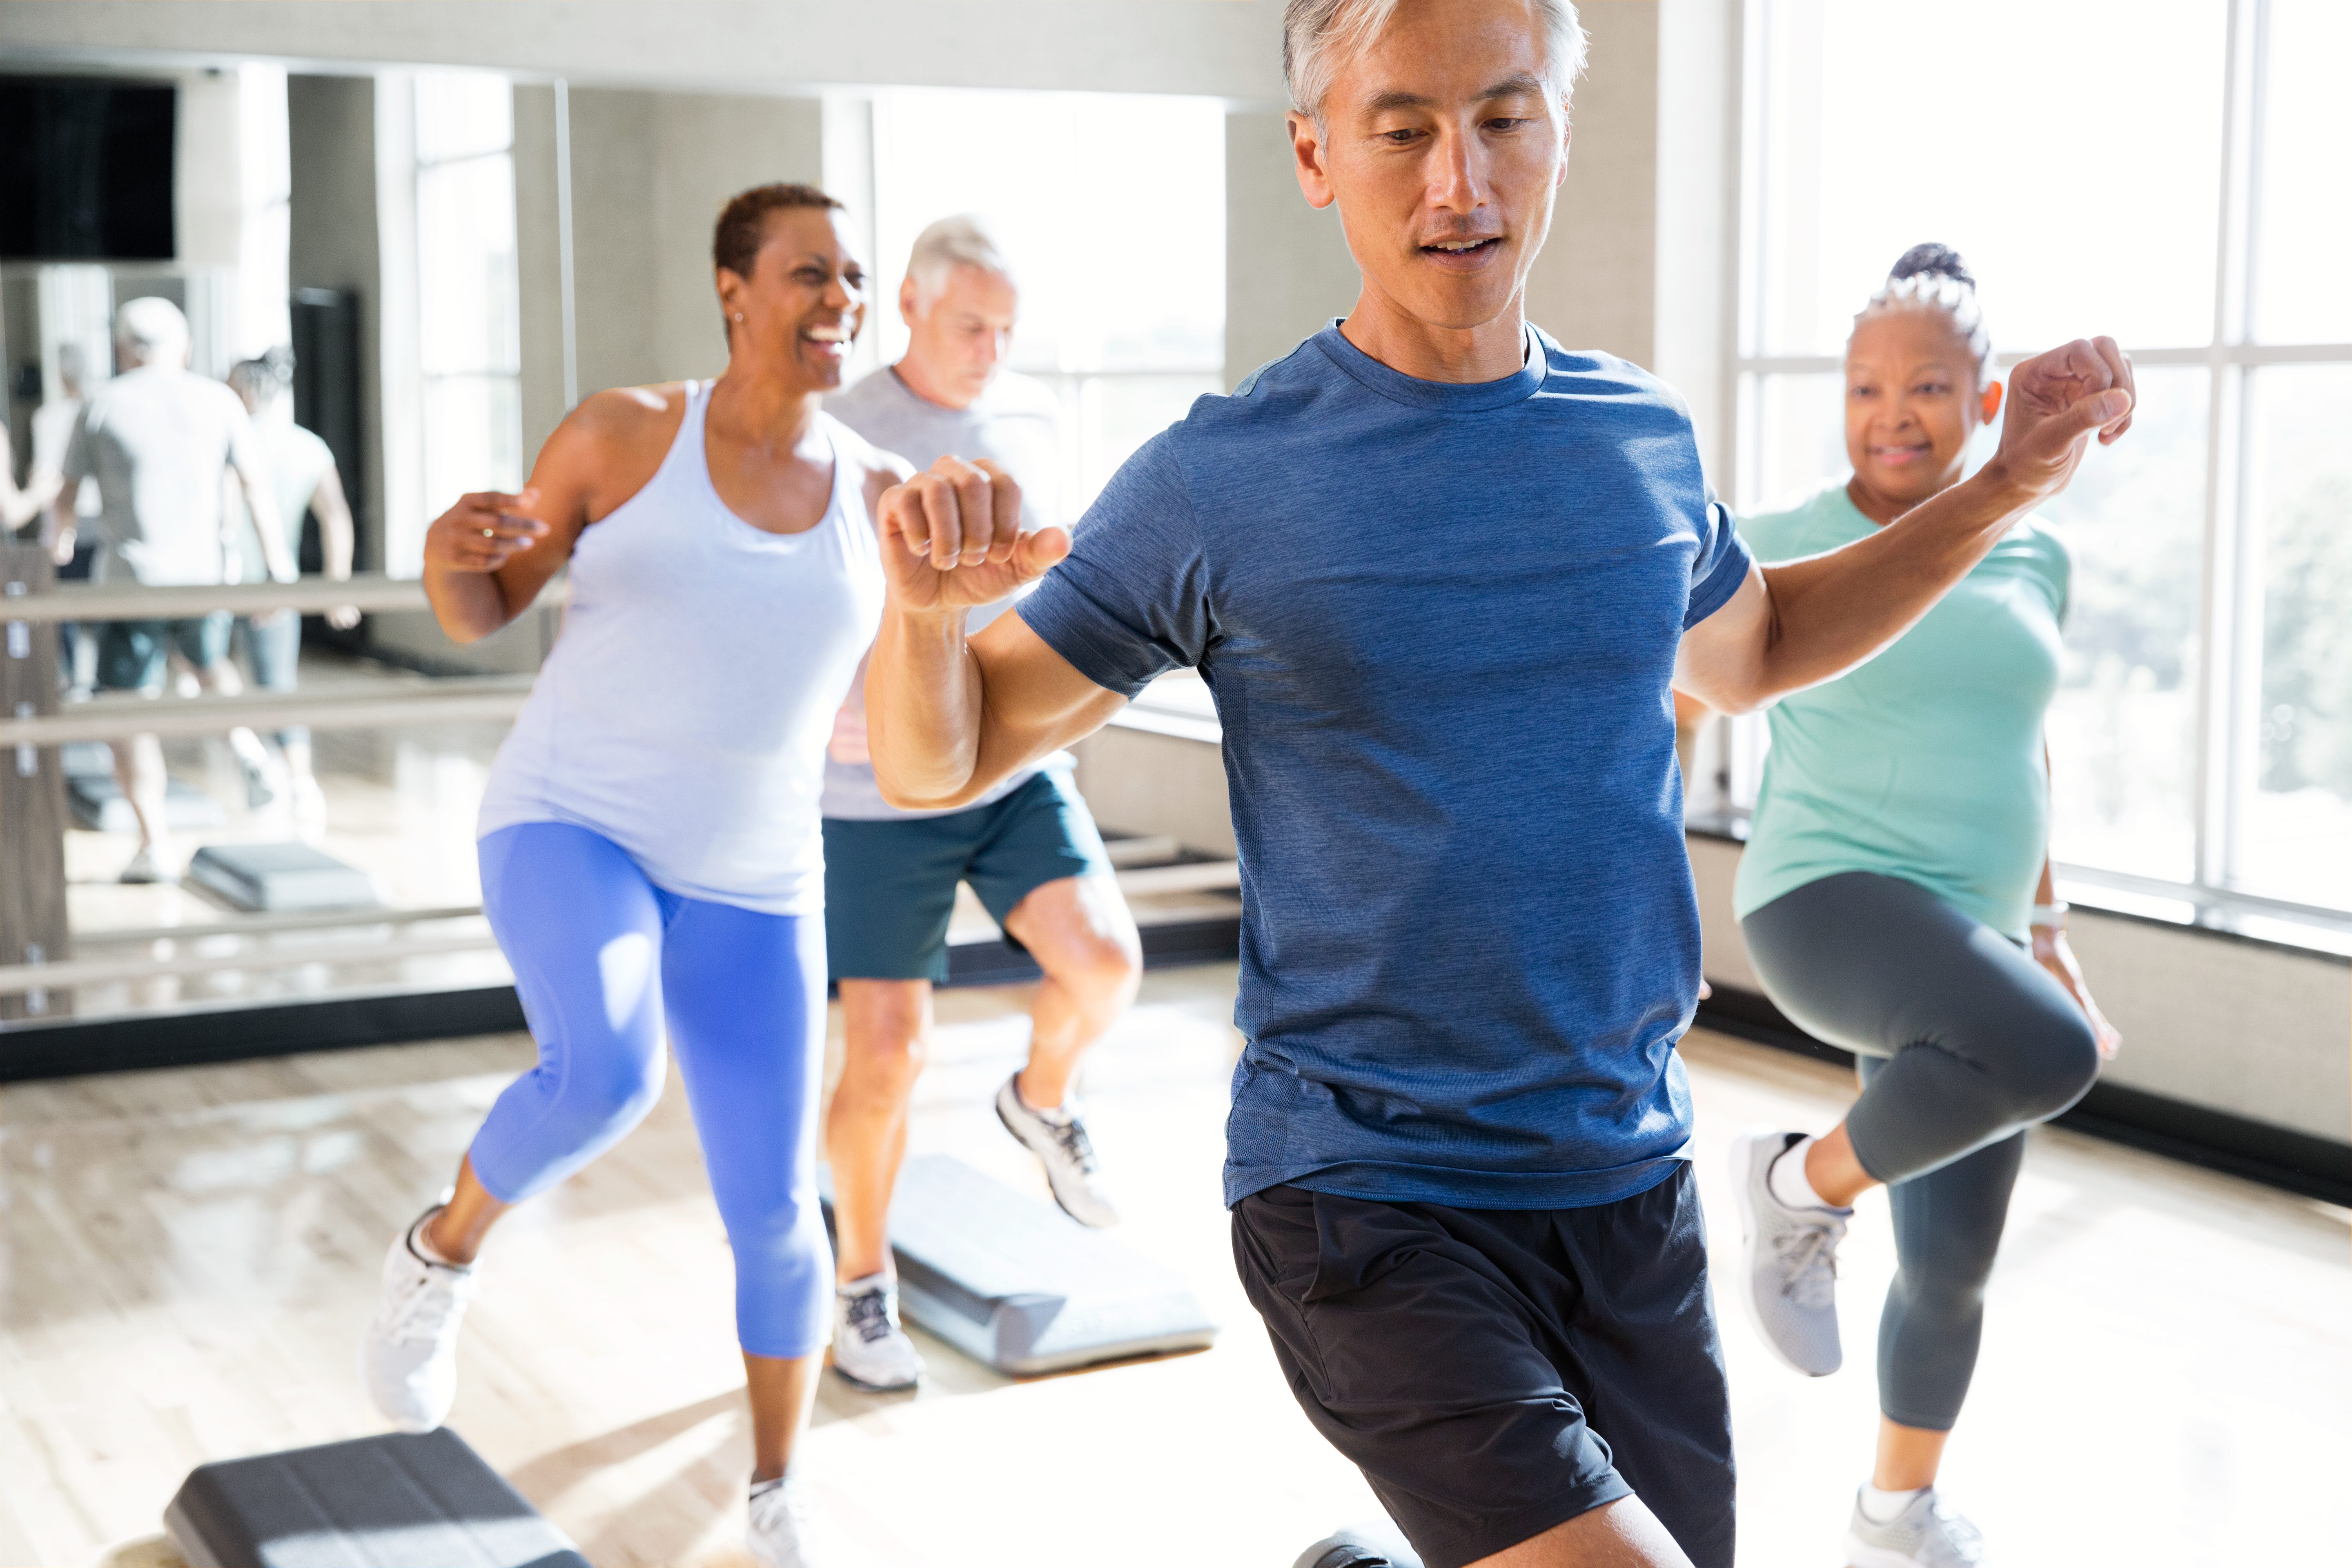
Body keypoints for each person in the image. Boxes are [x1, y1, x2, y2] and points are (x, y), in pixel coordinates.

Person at [855, 0, 2134, 1564]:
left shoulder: (1637, 437)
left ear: (1557, 134)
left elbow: (1758, 645)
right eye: (1401, 130)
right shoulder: (1221, 477)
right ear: (1316, 154)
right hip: (1362, 1189)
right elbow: (949, 760)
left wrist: (2002, 487)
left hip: (1624, 1178)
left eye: (1503, 119)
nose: (1457, 181)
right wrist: (923, 618)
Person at [360, 182, 893, 1568]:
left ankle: (778, 1486)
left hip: (758, 878)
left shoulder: (876, 500)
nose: (841, 300)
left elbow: (920, 689)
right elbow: (486, 604)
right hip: (571, 820)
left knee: (781, 1214)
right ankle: (443, 1250)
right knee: (604, 1073)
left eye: (853, 277)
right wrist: (439, 556)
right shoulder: (621, 434)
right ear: (733, 289)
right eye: (808, 275)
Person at [1722, 245, 2121, 1568]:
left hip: (1977, 940)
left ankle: (1894, 1509)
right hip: (1830, 895)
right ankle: (1796, 1182)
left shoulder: (2033, 549)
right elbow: (1674, 705)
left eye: (1930, 387)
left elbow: (2030, 751)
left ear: (1987, 396)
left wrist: (2050, 940)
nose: (1895, 413)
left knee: (1951, 1263)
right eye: (1867, 387)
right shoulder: (1778, 544)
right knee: (2050, 1059)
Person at [817, 214, 1142, 1393]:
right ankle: (861, 1286)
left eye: (1007, 330)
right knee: (890, 1052)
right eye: (970, 325)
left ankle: (1039, 1102)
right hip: (870, 787)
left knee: (1104, 965)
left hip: (1009, 766)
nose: (991, 350)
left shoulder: (1034, 420)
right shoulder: (842, 434)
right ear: (908, 303)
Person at [54, 298, 294, 881]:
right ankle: (244, 745)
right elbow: (257, 489)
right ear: (183, 348)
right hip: (206, 579)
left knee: (127, 714)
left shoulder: (102, 405)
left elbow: (66, 496)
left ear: (122, 349)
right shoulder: (218, 401)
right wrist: (280, 572)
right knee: (208, 665)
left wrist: (56, 547)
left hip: (131, 586)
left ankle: (154, 843)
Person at [225, 352, 361, 828]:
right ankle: (302, 786)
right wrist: (337, 584)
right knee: (277, 685)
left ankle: (256, 756)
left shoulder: (227, 440)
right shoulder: (309, 446)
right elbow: (336, 516)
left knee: (203, 674)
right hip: (273, 585)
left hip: (219, 582)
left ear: (241, 389)